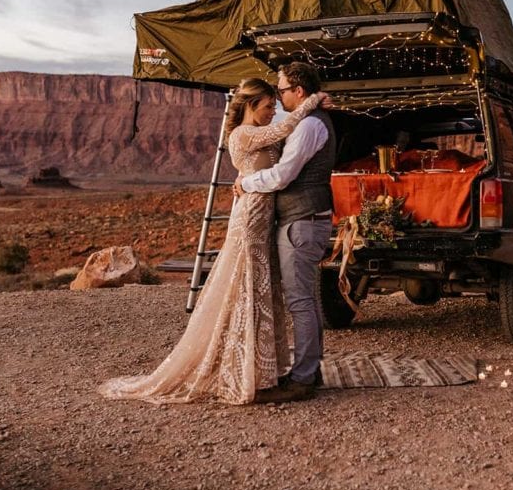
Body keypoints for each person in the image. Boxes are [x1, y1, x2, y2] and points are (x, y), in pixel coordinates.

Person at [99, 79, 327, 405]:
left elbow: (281, 143)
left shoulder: (256, 132)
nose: (273, 111)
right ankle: (247, 373)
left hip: (265, 217)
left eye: (275, 105)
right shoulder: (241, 134)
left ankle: (261, 370)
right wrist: (314, 99)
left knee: (260, 293)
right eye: (267, 105)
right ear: (251, 104)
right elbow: (286, 128)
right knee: (248, 291)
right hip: (250, 219)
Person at [235, 62, 336, 404]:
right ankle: (309, 370)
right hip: (303, 219)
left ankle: (304, 378)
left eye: (280, 91)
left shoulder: (309, 127)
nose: (277, 100)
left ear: (299, 91)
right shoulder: (309, 121)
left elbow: (282, 176)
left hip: (302, 220)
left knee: (300, 300)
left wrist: (245, 183)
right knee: (301, 299)